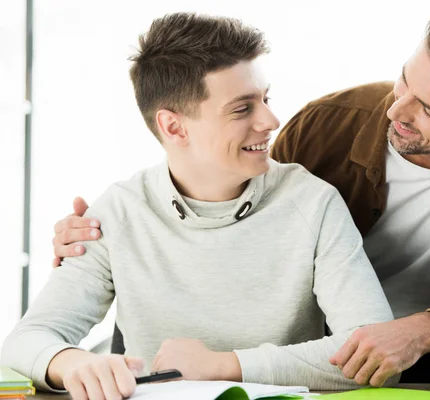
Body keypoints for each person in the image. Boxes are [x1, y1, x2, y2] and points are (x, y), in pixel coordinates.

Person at [51, 0, 430, 387]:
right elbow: (228, 188)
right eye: (404, 81)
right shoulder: (328, 124)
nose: (396, 110)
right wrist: (111, 233)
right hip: (318, 362)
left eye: (427, 110)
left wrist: (425, 329)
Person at [0, 12, 397, 400]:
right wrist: (71, 363)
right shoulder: (119, 211)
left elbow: (377, 354)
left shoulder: (313, 203)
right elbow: (27, 340)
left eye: (265, 98)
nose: (270, 120)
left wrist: (225, 365)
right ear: (174, 127)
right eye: (243, 108)